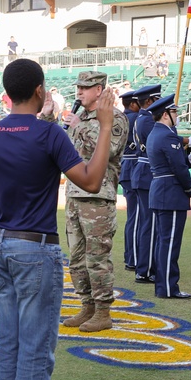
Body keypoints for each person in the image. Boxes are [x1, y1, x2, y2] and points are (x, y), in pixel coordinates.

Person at [0, 58, 115, 380]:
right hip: (34, 246)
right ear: (39, 91)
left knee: (10, 342)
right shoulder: (48, 134)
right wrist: (105, 125)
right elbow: (89, 179)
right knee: (36, 343)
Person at [57, 71, 128, 333]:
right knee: (76, 258)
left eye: (85, 88)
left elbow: (106, 150)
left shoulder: (114, 118)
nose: (79, 93)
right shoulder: (82, 118)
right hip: (75, 194)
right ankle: (86, 305)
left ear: (99, 90)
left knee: (96, 257)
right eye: (78, 88)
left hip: (98, 196)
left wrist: (77, 128)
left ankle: (102, 311)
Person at [146, 94, 191, 300]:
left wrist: (188, 159)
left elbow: (174, 162)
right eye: (174, 112)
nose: (177, 115)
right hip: (170, 193)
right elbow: (178, 169)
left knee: (164, 242)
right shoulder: (168, 135)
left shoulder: (158, 133)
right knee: (170, 243)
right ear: (165, 115)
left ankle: (164, 286)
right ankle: (168, 288)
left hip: (163, 191)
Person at [129, 85, 162, 285]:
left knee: (147, 223)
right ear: (149, 101)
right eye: (156, 99)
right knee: (149, 225)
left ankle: (146, 266)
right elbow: (157, 145)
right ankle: (145, 269)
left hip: (142, 172)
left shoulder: (142, 117)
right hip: (147, 173)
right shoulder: (148, 119)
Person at [119, 88, 141, 272]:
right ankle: (133, 257)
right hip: (133, 168)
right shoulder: (134, 119)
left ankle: (131, 256)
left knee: (133, 217)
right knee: (135, 217)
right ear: (133, 104)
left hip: (127, 168)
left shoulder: (123, 118)